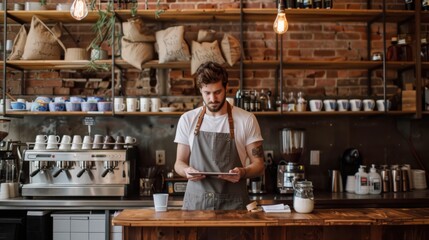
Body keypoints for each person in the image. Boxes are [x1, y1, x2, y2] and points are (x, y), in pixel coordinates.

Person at [174, 61, 265, 210]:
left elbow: (259, 165)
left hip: (234, 206)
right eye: (207, 93)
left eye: (217, 92)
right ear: (200, 91)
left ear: (226, 87)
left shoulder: (246, 119)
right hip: (197, 205)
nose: (212, 98)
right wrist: (186, 171)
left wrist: (242, 172)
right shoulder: (187, 119)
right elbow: (179, 163)